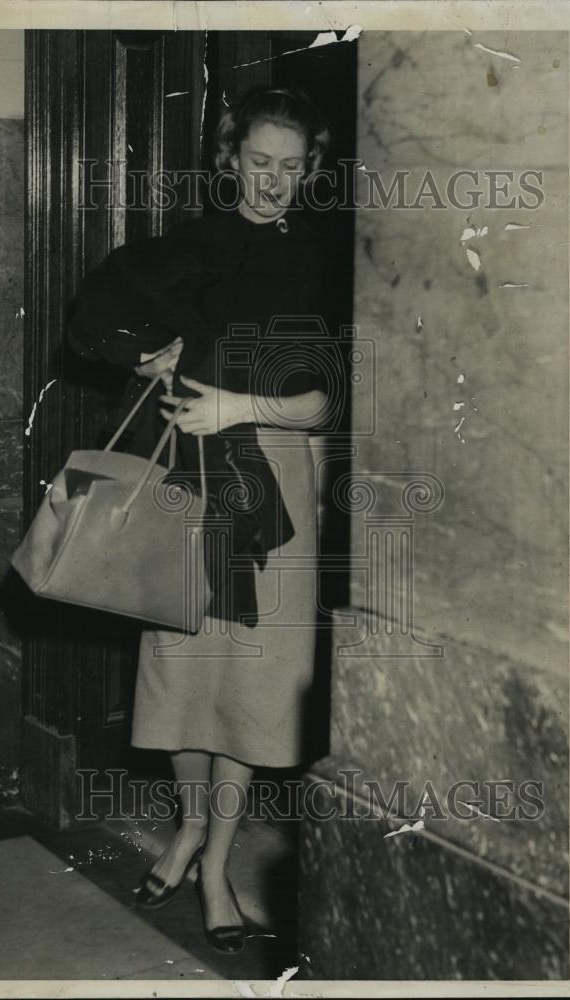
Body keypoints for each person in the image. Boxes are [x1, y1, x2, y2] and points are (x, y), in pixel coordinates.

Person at [67, 86, 332, 954]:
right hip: (189, 479)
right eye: (259, 162)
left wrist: (236, 405)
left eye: (290, 168)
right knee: (181, 678)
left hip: (277, 491)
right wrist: (150, 351)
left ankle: (216, 858)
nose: (272, 182)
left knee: (251, 690)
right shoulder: (192, 245)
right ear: (229, 160)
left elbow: (325, 401)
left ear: (310, 172)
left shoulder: (325, 259)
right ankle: (187, 827)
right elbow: (102, 324)